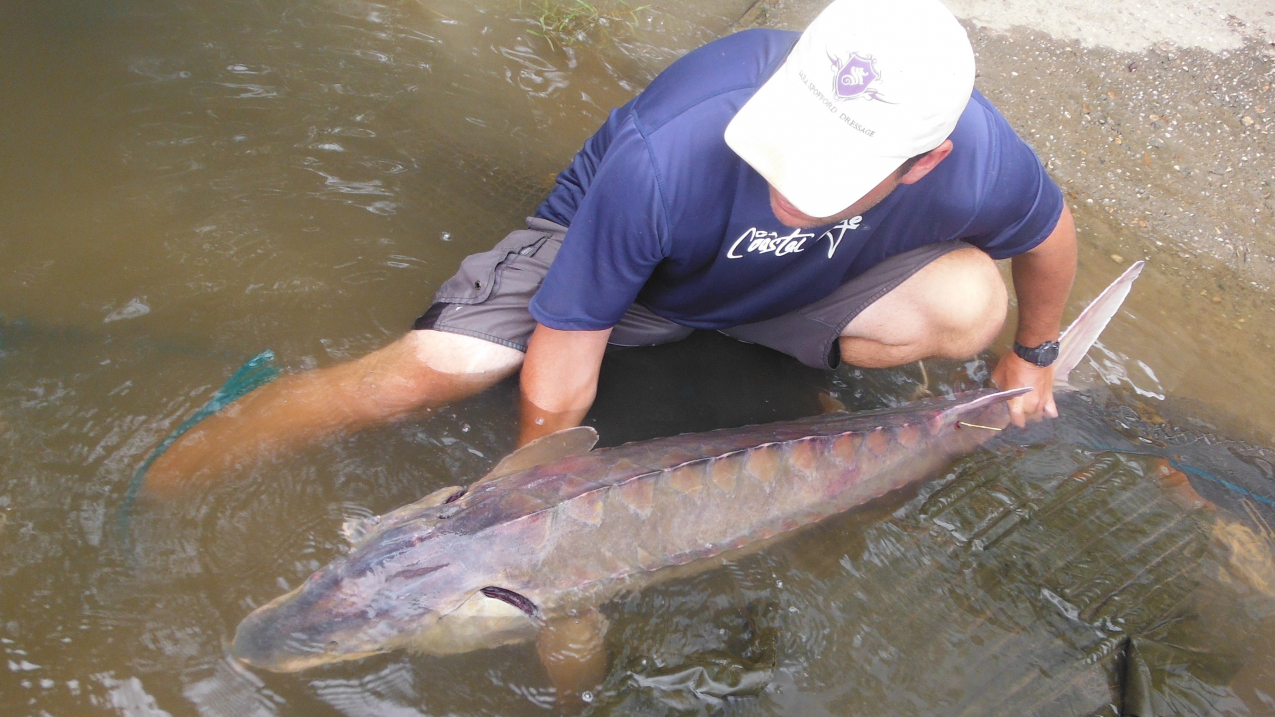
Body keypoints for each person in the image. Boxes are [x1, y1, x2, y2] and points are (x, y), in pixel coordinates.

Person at [143, 0, 1076, 497]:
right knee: (427, 373)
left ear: (928, 161)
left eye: (832, 171)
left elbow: (1045, 234)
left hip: (788, 288)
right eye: (792, 143)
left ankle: (773, 350)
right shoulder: (665, 154)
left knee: (972, 305)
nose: (794, 188)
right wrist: (533, 489)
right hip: (630, 280)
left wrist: (1032, 357)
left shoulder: (979, 159)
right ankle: (186, 466)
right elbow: (561, 367)